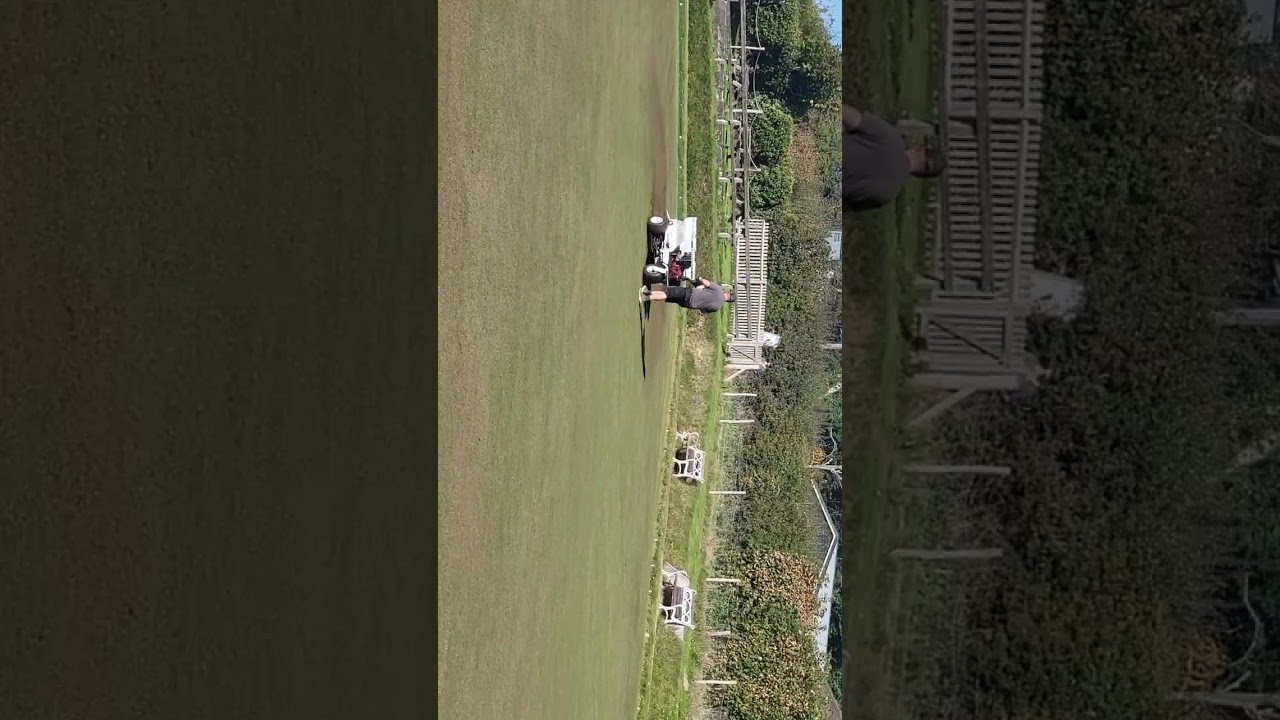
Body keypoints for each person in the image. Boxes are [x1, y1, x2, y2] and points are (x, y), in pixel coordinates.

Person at [842, 104, 946, 212]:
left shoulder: (890, 136)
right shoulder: (887, 194)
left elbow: (852, 118)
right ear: (919, 176)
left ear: (921, 149)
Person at [640, 277, 733, 314]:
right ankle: (648, 292)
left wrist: (700, 278)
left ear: (728, 293)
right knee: (668, 296)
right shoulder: (717, 307)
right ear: (728, 301)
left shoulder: (718, 290)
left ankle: (646, 298)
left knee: (667, 294)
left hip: (690, 294)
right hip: (688, 304)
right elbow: (703, 311)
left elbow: (706, 283)